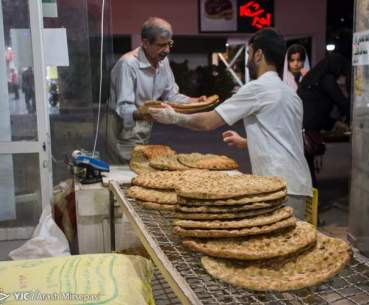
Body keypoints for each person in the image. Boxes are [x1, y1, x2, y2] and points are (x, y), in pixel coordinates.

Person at [148, 28, 313, 219]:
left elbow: (207, 122)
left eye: (249, 53)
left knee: (273, 244)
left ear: (259, 55)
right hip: (300, 185)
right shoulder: (291, 94)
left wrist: (174, 117)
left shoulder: (258, 88)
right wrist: (246, 142)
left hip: (277, 186)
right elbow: (285, 137)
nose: (249, 59)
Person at [109, 17, 206, 162]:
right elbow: (124, 108)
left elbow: (171, 96)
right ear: (146, 43)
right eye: (161, 45)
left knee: (139, 170)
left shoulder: (162, 61)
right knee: (126, 175)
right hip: (123, 132)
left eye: (169, 44)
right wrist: (148, 113)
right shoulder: (128, 65)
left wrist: (196, 101)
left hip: (144, 129)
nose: (166, 50)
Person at [297, 53, 350, 187]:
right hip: (307, 130)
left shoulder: (310, 78)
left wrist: (333, 122)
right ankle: (310, 203)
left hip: (298, 126)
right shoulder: (327, 79)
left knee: (305, 169)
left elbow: (315, 108)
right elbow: (341, 102)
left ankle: (309, 201)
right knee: (308, 173)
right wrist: (353, 112)